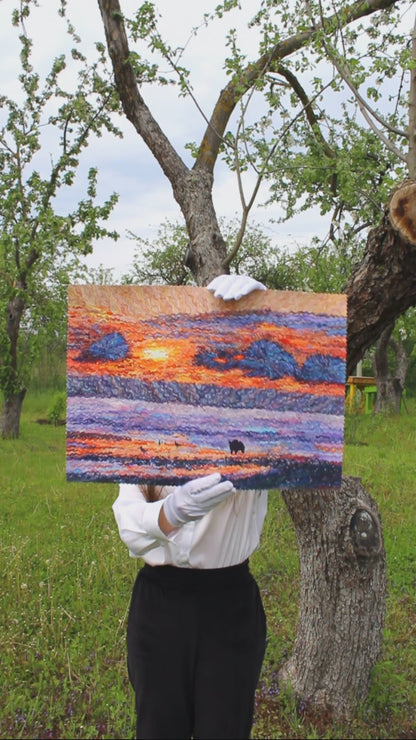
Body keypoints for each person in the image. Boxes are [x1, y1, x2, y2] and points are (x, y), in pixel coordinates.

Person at [112, 274, 269, 740]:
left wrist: (263, 316)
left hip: (229, 604)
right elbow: (128, 521)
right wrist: (171, 513)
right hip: (159, 605)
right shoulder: (145, 424)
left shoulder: (253, 414)